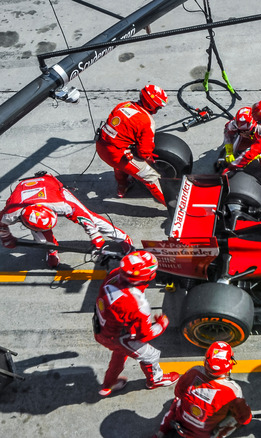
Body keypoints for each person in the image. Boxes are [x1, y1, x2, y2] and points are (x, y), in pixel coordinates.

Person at [0, 172, 133, 268]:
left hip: (53, 188)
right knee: (41, 240)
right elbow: (1, 225)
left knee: (92, 217)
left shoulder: (60, 204)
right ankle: (51, 249)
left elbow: (83, 217)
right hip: (26, 193)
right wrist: (6, 237)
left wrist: (96, 237)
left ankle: (122, 237)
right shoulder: (10, 214)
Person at [93, 250, 179, 396]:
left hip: (101, 329)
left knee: (119, 355)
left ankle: (108, 385)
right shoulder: (138, 304)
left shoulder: (114, 275)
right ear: (150, 276)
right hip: (118, 338)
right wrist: (161, 324)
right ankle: (155, 380)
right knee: (151, 355)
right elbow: (145, 335)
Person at [156, 341, 252, 438]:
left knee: (177, 400)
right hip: (203, 434)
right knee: (237, 419)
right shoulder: (233, 390)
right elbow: (245, 419)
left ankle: (161, 432)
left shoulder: (193, 372)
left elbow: (178, 392)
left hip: (180, 424)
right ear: (229, 365)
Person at [95, 84, 168, 203]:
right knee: (151, 177)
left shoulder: (123, 105)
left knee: (120, 166)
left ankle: (122, 187)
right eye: (158, 107)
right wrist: (150, 162)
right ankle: (173, 206)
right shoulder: (146, 121)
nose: (158, 110)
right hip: (117, 155)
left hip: (101, 146)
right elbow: (144, 152)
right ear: (151, 105)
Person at [219, 107, 261, 179]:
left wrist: (256, 155)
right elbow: (228, 134)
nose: (242, 134)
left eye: (246, 131)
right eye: (240, 131)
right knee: (237, 151)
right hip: (254, 136)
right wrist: (229, 152)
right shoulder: (234, 124)